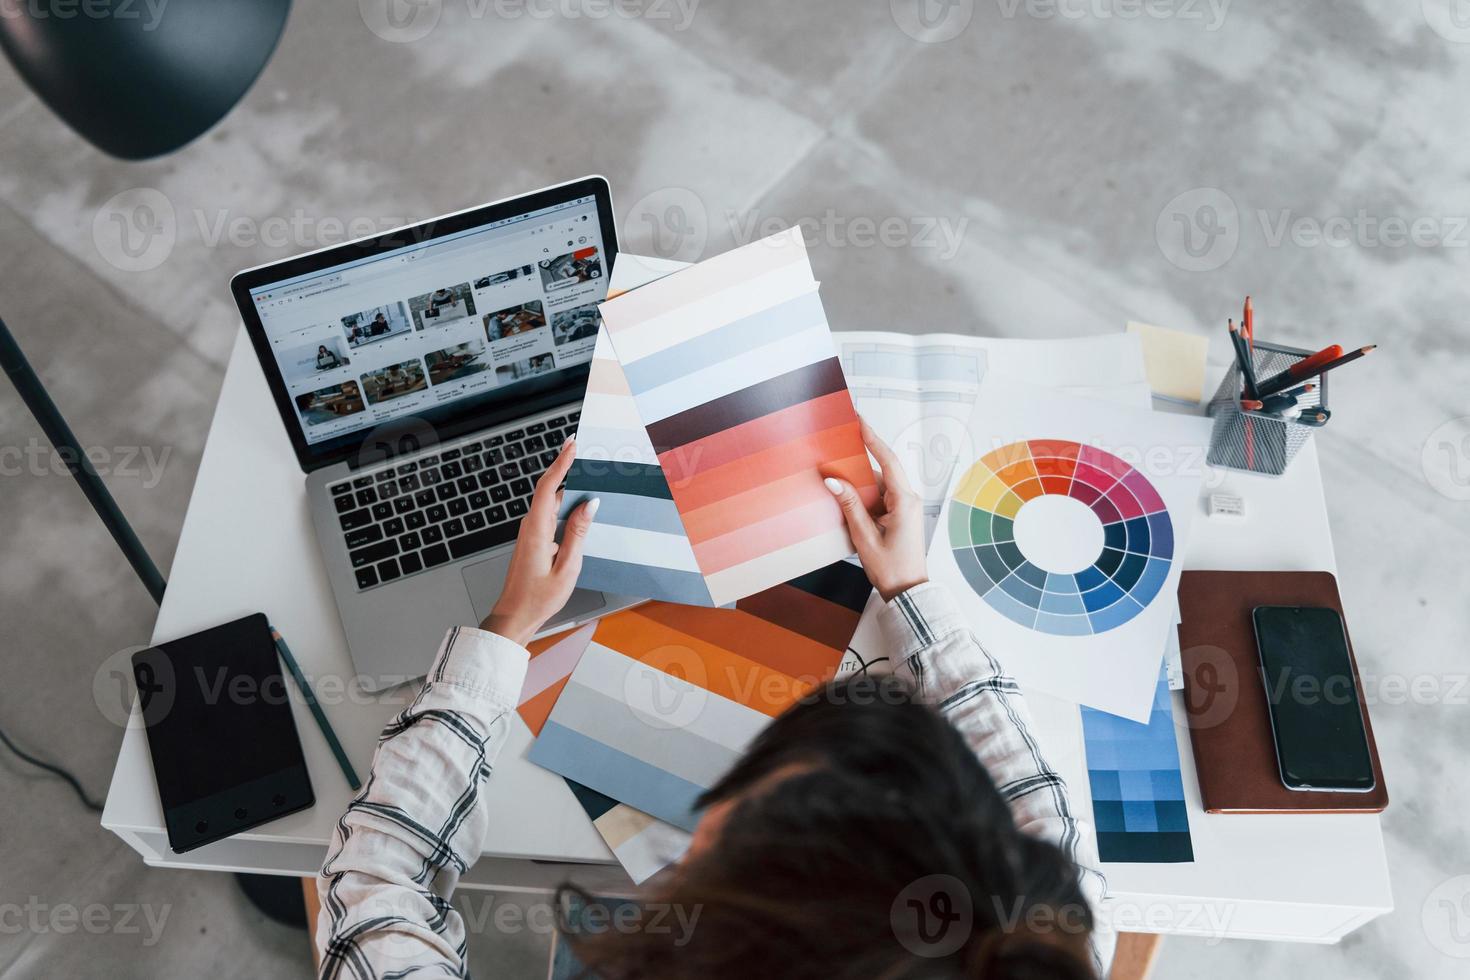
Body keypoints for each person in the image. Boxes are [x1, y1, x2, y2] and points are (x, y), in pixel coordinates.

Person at [316, 421, 1115, 979]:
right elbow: (1048, 826)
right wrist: (909, 590)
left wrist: (501, 633)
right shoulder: (1039, 951)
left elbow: (372, 882)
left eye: (720, 827)